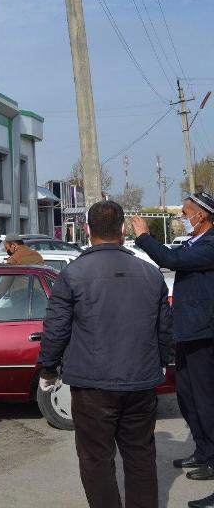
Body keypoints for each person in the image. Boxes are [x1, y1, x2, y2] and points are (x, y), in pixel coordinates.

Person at [39, 200, 173, 508]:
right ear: (124, 231)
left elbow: (56, 329)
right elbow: (164, 328)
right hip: (140, 382)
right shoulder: (151, 274)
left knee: (96, 459)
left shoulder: (72, 274)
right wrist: (164, 361)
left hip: (92, 386)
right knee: (140, 455)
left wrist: (48, 370)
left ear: (87, 231)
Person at [132, 191, 214, 508]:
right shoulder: (195, 241)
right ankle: (204, 451)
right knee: (188, 398)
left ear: (203, 215)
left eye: (186, 211)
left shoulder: (209, 245)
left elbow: (171, 260)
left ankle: (211, 456)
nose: (182, 215)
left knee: (206, 400)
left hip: (203, 335)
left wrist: (143, 237)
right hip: (188, 333)